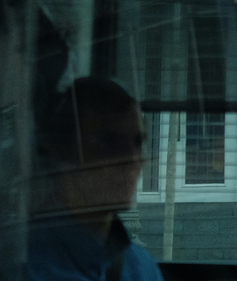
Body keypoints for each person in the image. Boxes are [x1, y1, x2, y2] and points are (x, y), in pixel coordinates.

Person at [28, 77, 161, 281]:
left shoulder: (140, 265)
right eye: (111, 143)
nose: (132, 160)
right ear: (62, 152)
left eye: (138, 142)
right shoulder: (30, 267)